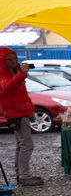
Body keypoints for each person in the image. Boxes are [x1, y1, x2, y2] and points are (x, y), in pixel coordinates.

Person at [0, 48, 43, 186]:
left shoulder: (14, 72)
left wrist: (31, 109)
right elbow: (7, 87)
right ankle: (24, 175)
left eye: (14, 58)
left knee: (21, 144)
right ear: (2, 61)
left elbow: (21, 94)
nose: (13, 62)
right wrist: (21, 74)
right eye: (9, 59)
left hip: (21, 111)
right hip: (16, 113)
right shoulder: (3, 74)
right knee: (27, 144)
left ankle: (21, 174)